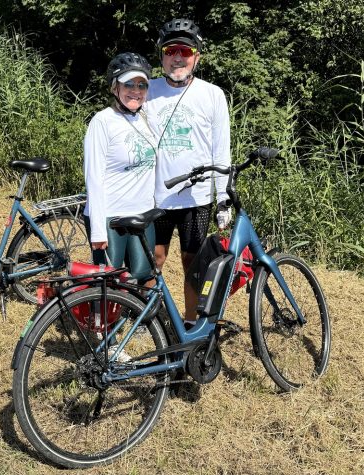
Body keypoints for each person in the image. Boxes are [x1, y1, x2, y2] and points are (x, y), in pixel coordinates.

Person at [147, 18, 231, 326]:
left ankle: (191, 322)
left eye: (185, 51)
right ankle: (148, 321)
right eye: (171, 51)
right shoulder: (146, 90)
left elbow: (221, 151)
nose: (178, 57)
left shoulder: (213, 95)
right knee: (153, 259)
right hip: (155, 195)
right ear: (162, 55)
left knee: (193, 263)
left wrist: (223, 199)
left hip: (196, 198)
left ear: (197, 56)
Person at [83, 52, 159, 282]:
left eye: (142, 85)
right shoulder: (102, 122)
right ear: (115, 87)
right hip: (111, 216)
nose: (136, 90)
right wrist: (98, 229)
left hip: (142, 213)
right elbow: (93, 177)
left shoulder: (147, 119)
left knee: (142, 275)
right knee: (108, 283)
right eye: (129, 84)